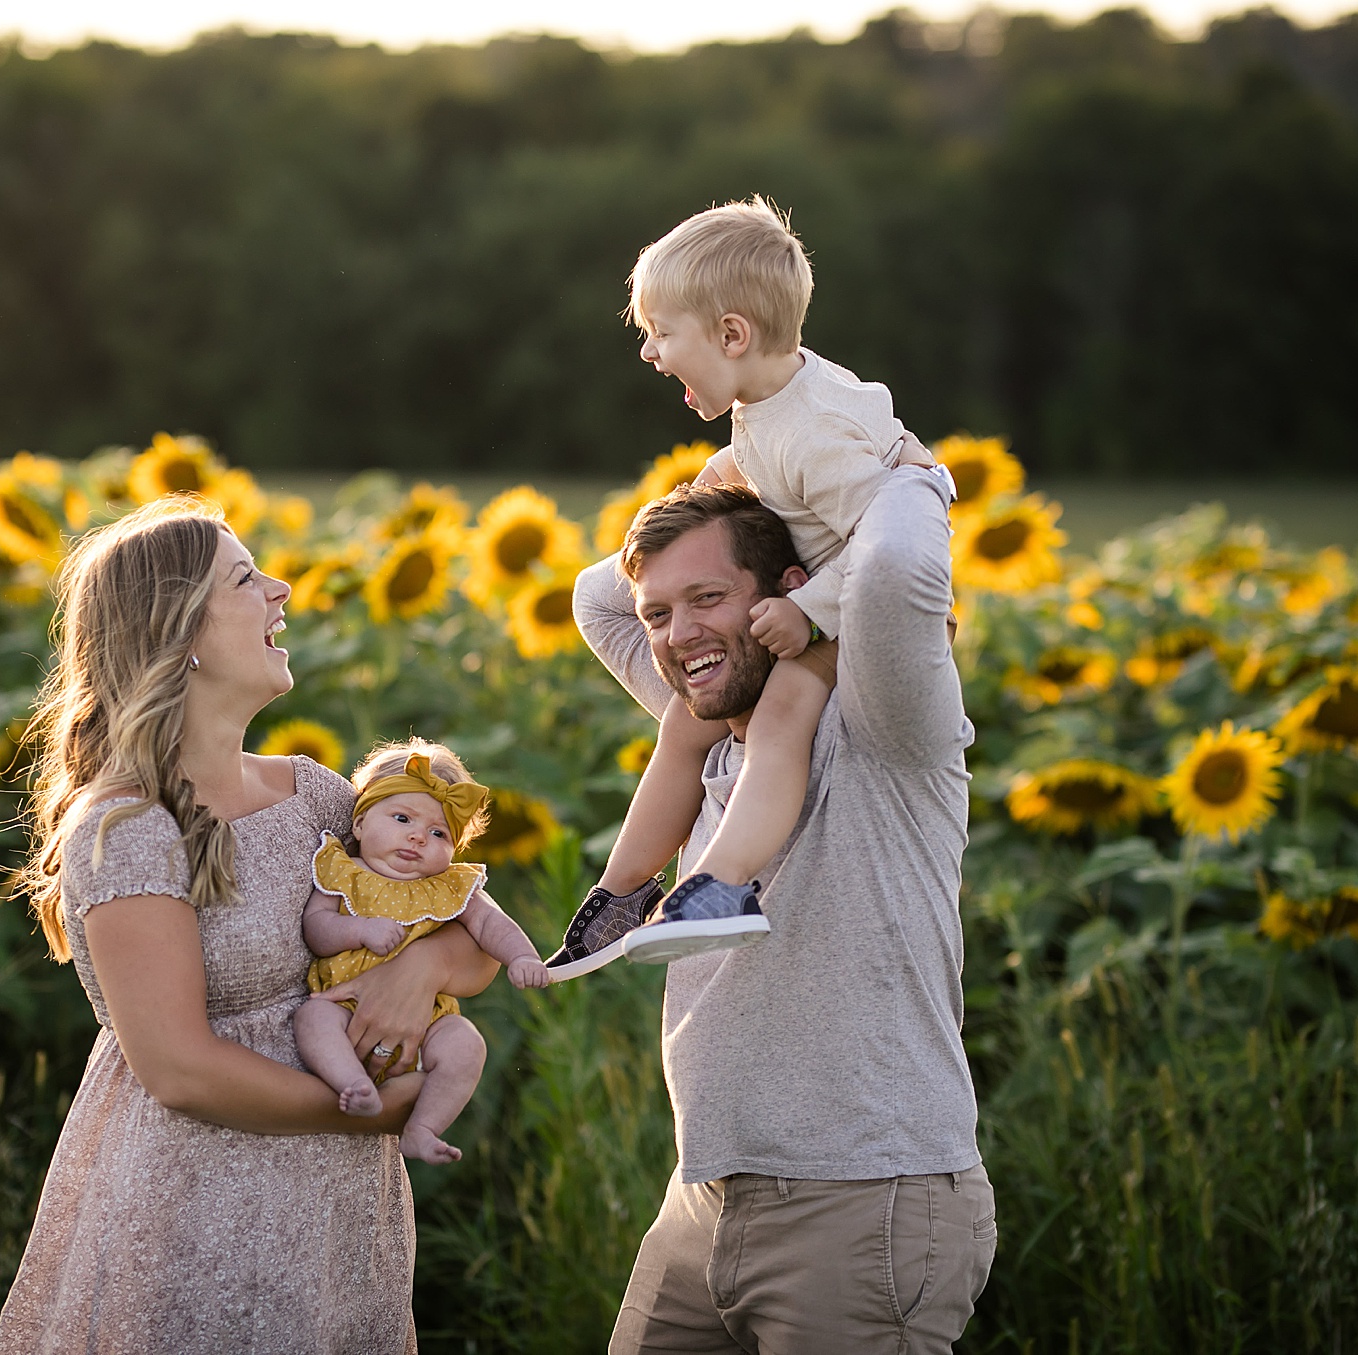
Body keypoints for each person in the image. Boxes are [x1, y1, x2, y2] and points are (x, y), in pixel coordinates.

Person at [0, 497, 498, 1354]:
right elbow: (180, 1069)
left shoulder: (313, 795)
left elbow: (464, 927)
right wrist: (372, 1113)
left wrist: (425, 967)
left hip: (337, 1210)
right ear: (179, 632)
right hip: (199, 1202)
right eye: (245, 577)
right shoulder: (126, 827)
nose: (281, 587)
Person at [573, 480, 995, 1352]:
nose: (678, 633)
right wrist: (745, 467)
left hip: (862, 1201)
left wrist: (829, 466)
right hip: (701, 1200)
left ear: (789, 590)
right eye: (659, 614)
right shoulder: (715, 726)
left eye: (708, 599)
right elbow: (595, 594)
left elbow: (897, 568)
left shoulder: (885, 723)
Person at [548, 196, 948, 975]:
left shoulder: (814, 431)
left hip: (841, 621)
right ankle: (624, 892)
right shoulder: (775, 403)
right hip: (806, 600)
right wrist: (713, 483)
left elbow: (880, 550)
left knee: (779, 721)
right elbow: (765, 462)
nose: (650, 352)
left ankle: (724, 887)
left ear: (733, 334)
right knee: (684, 728)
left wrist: (805, 610)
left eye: (663, 333)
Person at [297, 740, 551, 1163]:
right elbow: (316, 930)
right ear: (359, 823)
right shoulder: (343, 870)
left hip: (426, 1020)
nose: (418, 837)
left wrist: (522, 957)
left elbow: (492, 924)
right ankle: (351, 1084)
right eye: (401, 818)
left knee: (466, 1044)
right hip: (342, 1003)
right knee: (312, 1017)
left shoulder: (451, 885)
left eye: (438, 833)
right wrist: (358, 929)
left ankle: (422, 1127)